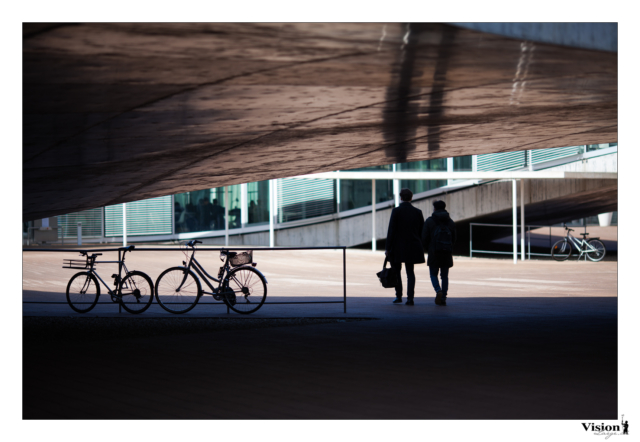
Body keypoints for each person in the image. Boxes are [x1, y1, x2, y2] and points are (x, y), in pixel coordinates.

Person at [385, 188, 425, 305]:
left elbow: (391, 230)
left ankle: (398, 296)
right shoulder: (418, 212)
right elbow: (421, 231)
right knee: (410, 272)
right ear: (411, 198)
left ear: (401, 198)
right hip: (412, 246)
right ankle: (410, 298)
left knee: (397, 271)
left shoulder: (396, 211)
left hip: (397, 246)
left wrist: (387, 248)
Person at [422, 200, 456, 306]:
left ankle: (438, 290)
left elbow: (424, 237)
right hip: (446, 252)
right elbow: (454, 238)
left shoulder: (430, 221)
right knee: (444, 275)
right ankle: (444, 298)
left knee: (433, 274)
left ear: (435, 209)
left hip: (434, 252)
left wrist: (428, 248)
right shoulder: (450, 222)